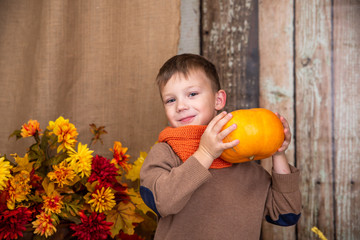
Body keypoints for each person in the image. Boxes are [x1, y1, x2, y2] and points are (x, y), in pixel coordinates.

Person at [140, 53, 301, 239]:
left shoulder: (246, 166)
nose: (181, 106)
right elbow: (162, 202)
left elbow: (286, 215)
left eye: (192, 94)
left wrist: (277, 151)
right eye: (170, 100)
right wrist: (206, 153)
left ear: (218, 100)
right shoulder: (165, 153)